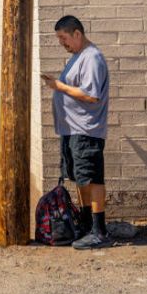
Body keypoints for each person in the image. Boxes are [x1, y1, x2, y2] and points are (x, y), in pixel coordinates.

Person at [41, 15, 111, 250]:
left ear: (77, 34)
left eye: (64, 38)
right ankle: (85, 223)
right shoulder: (77, 57)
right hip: (73, 130)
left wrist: (58, 86)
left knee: (92, 178)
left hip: (86, 130)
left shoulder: (92, 58)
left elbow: (91, 95)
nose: (62, 43)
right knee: (80, 178)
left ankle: (99, 231)